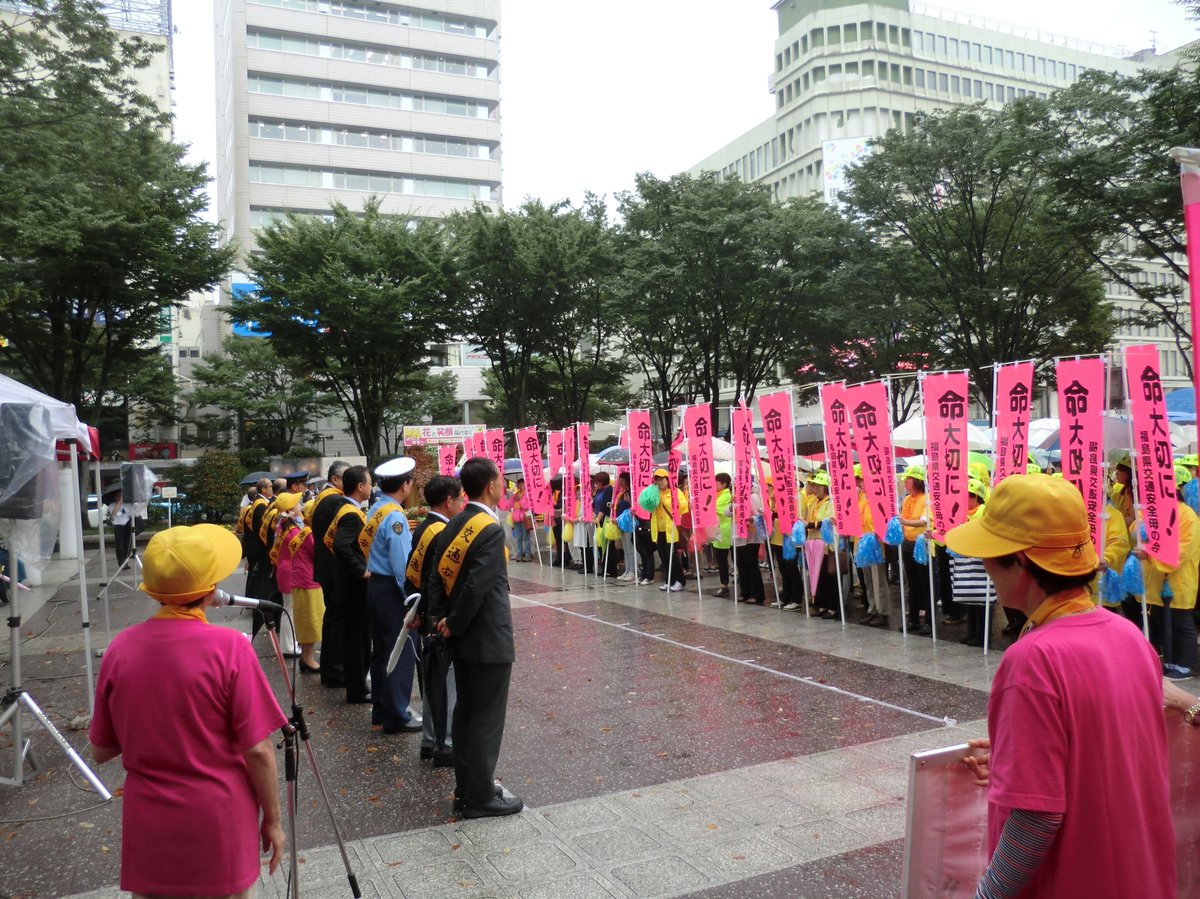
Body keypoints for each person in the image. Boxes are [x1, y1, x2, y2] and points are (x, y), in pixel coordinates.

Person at [948, 475, 1175, 898]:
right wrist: (1014, 758)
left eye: (989, 555)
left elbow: (1036, 819)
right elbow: (1103, 754)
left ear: (1020, 561)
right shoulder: (1130, 637)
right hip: (1139, 878)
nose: (985, 567)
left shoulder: (1033, 659)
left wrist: (987, 894)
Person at [89, 524, 287, 897]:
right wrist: (273, 820)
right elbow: (259, 750)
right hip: (219, 822)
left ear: (154, 591)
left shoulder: (121, 648)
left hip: (149, 827)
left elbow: (101, 749)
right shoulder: (230, 649)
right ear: (211, 591)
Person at [428, 458, 522, 818]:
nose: (504, 486)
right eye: (501, 481)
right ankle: (480, 796)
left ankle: (466, 788)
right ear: (490, 486)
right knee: (485, 717)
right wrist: (454, 621)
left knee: (466, 712)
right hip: (486, 636)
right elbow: (477, 585)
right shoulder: (490, 529)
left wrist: (441, 619)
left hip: (461, 637)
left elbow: (436, 576)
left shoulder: (454, 522)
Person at [410, 475, 465, 766]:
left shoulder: (423, 528)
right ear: (448, 501)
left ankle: (430, 740)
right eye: (459, 498)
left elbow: (412, 575)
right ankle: (446, 743)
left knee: (432, 680)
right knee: (446, 683)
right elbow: (438, 581)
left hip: (426, 615)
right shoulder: (444, 531)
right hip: (439, 618)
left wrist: (418, 613)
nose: (461, 503)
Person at [364, 457, 421, 733]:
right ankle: (397, 714)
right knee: (400, 650)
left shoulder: (376, 509)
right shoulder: (395, 516)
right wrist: (410, 597)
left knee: (381, 650)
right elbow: (402, 564)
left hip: (376, 585)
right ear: (405, 485)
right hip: (391, 590)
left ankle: (381, 708)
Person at [1139, 463, 1200, 679]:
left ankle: (1184, 666)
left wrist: (1150, 555)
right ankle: (1170, 661)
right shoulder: (1156, 512)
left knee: (1181, 622)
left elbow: (1182, 550)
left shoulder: (1187, 516)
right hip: (1158, 580)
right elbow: (1141, 534)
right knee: (1163, 622)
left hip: (1179, 579)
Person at [331, 464, 372, 704]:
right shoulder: (350, 514)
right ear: (360, 486)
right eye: (369, 483)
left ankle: (356, 686)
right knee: (358, 637)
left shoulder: (348, 509)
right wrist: (360, 571)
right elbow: (341, 545)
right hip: (353, 586)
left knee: (356, 636)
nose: (371, 487)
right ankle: (357, 689)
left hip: (348, 584)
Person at [311, 461, 350, 688]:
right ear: (335, 479)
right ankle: (337, 672)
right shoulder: (335, 500)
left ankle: (330, 669)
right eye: (347, 477)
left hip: (326, 567)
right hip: (334, 568)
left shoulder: (323, 497)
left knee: (333, 619)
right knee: (338, 621)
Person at [281, 499, 323, 673]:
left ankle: (306, 656)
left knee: (307, 618)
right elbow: (318, 555)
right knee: (310, 620)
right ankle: (308, 658)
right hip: (308, 581)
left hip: (303, 579)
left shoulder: (303, 531)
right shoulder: (309, 533)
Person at [950, 479, 993, 647]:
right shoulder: (964, 512)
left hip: (980, 560)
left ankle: (982, 636)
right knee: (969, 595)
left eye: (967, 495)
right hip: (966, 558)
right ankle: (971, 632)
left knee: (982, 599)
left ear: (975, 496)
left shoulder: (984, 512)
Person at [855, 464, 889, 628]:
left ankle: (883, 612)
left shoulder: (880, 501)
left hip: (876, 544)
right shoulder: (863, 500)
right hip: (863, 543)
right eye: (862, 481)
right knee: (868, 579)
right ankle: (872, 608)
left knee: (878, 579)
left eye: (865, 481)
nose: (862, 484)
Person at [899, 466, 931, 635]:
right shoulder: (906, 499)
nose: (905, 482)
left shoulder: (926, 499)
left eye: (908, 479)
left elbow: (923, 521)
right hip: (907, 543)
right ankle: (913, 619)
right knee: (912, 584)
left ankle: (929, 621)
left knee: (925, 583)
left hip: (921, 545)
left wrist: (903, 522)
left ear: (917, 481)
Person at [650, 467, 689, 592]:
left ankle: (680, 581)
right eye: (657, 480)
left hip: (671, 530)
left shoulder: (675, 492)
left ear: (668, 479)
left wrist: (673, 505)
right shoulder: (654, 493)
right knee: (664, 557)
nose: (659, 482)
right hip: (659, 530)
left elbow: (684, 508)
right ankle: (669, 580)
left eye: (662, 479)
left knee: (673, 556)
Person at [711, 473, 732, 598]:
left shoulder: (726, 496)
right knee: (721, 560)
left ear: (724, 484)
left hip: (725, 531)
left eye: (716, 482)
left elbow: (715, 509)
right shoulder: (718, 495)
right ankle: (724, 584)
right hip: (719, 531)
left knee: (723, 560)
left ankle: (724, 585)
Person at [104, 483, 135, 567]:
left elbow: (131, 512)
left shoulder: (126, 505)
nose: (120, 497)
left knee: (128, 545)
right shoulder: (112, 505)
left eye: (121, 495)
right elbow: (114, 513)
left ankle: (126, 562)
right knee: (120, 546)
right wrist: (119, 503)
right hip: (118, 526)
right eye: (118, 496)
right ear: (115, 497)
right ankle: (121, 562)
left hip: (127, 525)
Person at [509, 478, 532, 562]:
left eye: (522, 484)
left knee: (526, 538)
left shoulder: (527, 495)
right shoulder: (515, 495)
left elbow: (526, 507)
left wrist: (520, 499)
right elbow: (509, 504)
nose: (521, 486)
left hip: (524, 519)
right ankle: (519, 554)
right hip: (516, 520)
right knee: (518, 538)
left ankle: (528, 555)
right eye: (519, 485)